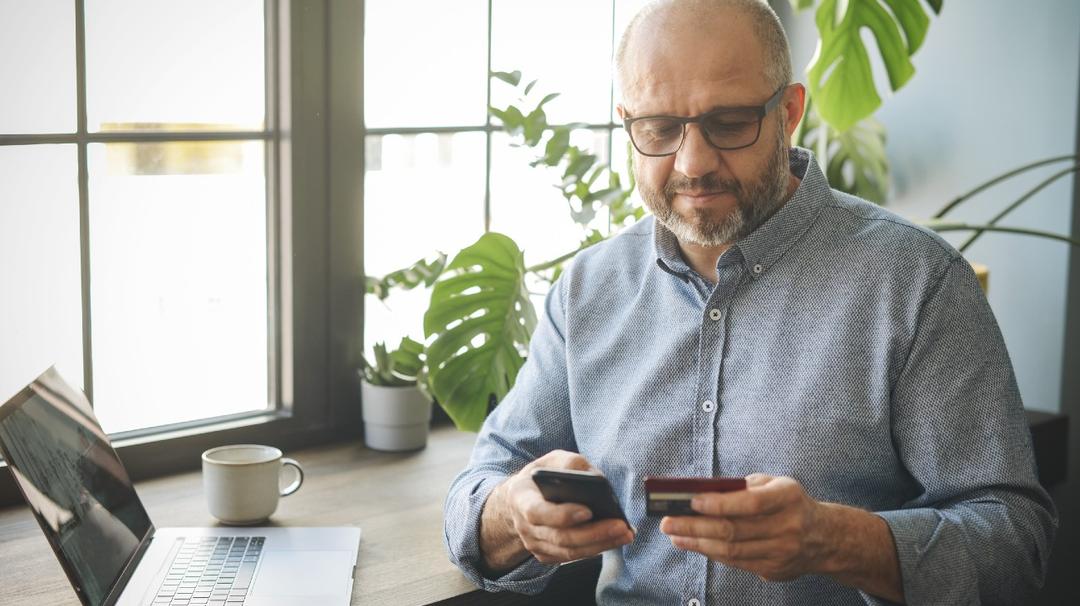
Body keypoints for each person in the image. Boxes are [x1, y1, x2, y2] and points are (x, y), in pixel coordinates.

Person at [443, 0, 1058, 603]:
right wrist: (512, 514)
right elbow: (480, 487)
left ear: (790, 112)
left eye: (730, 123)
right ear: (627, 122)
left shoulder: (916, 282)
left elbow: (1016, 543)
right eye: (659, 129)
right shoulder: (587, 290)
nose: (693, 163)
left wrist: (833, 541)